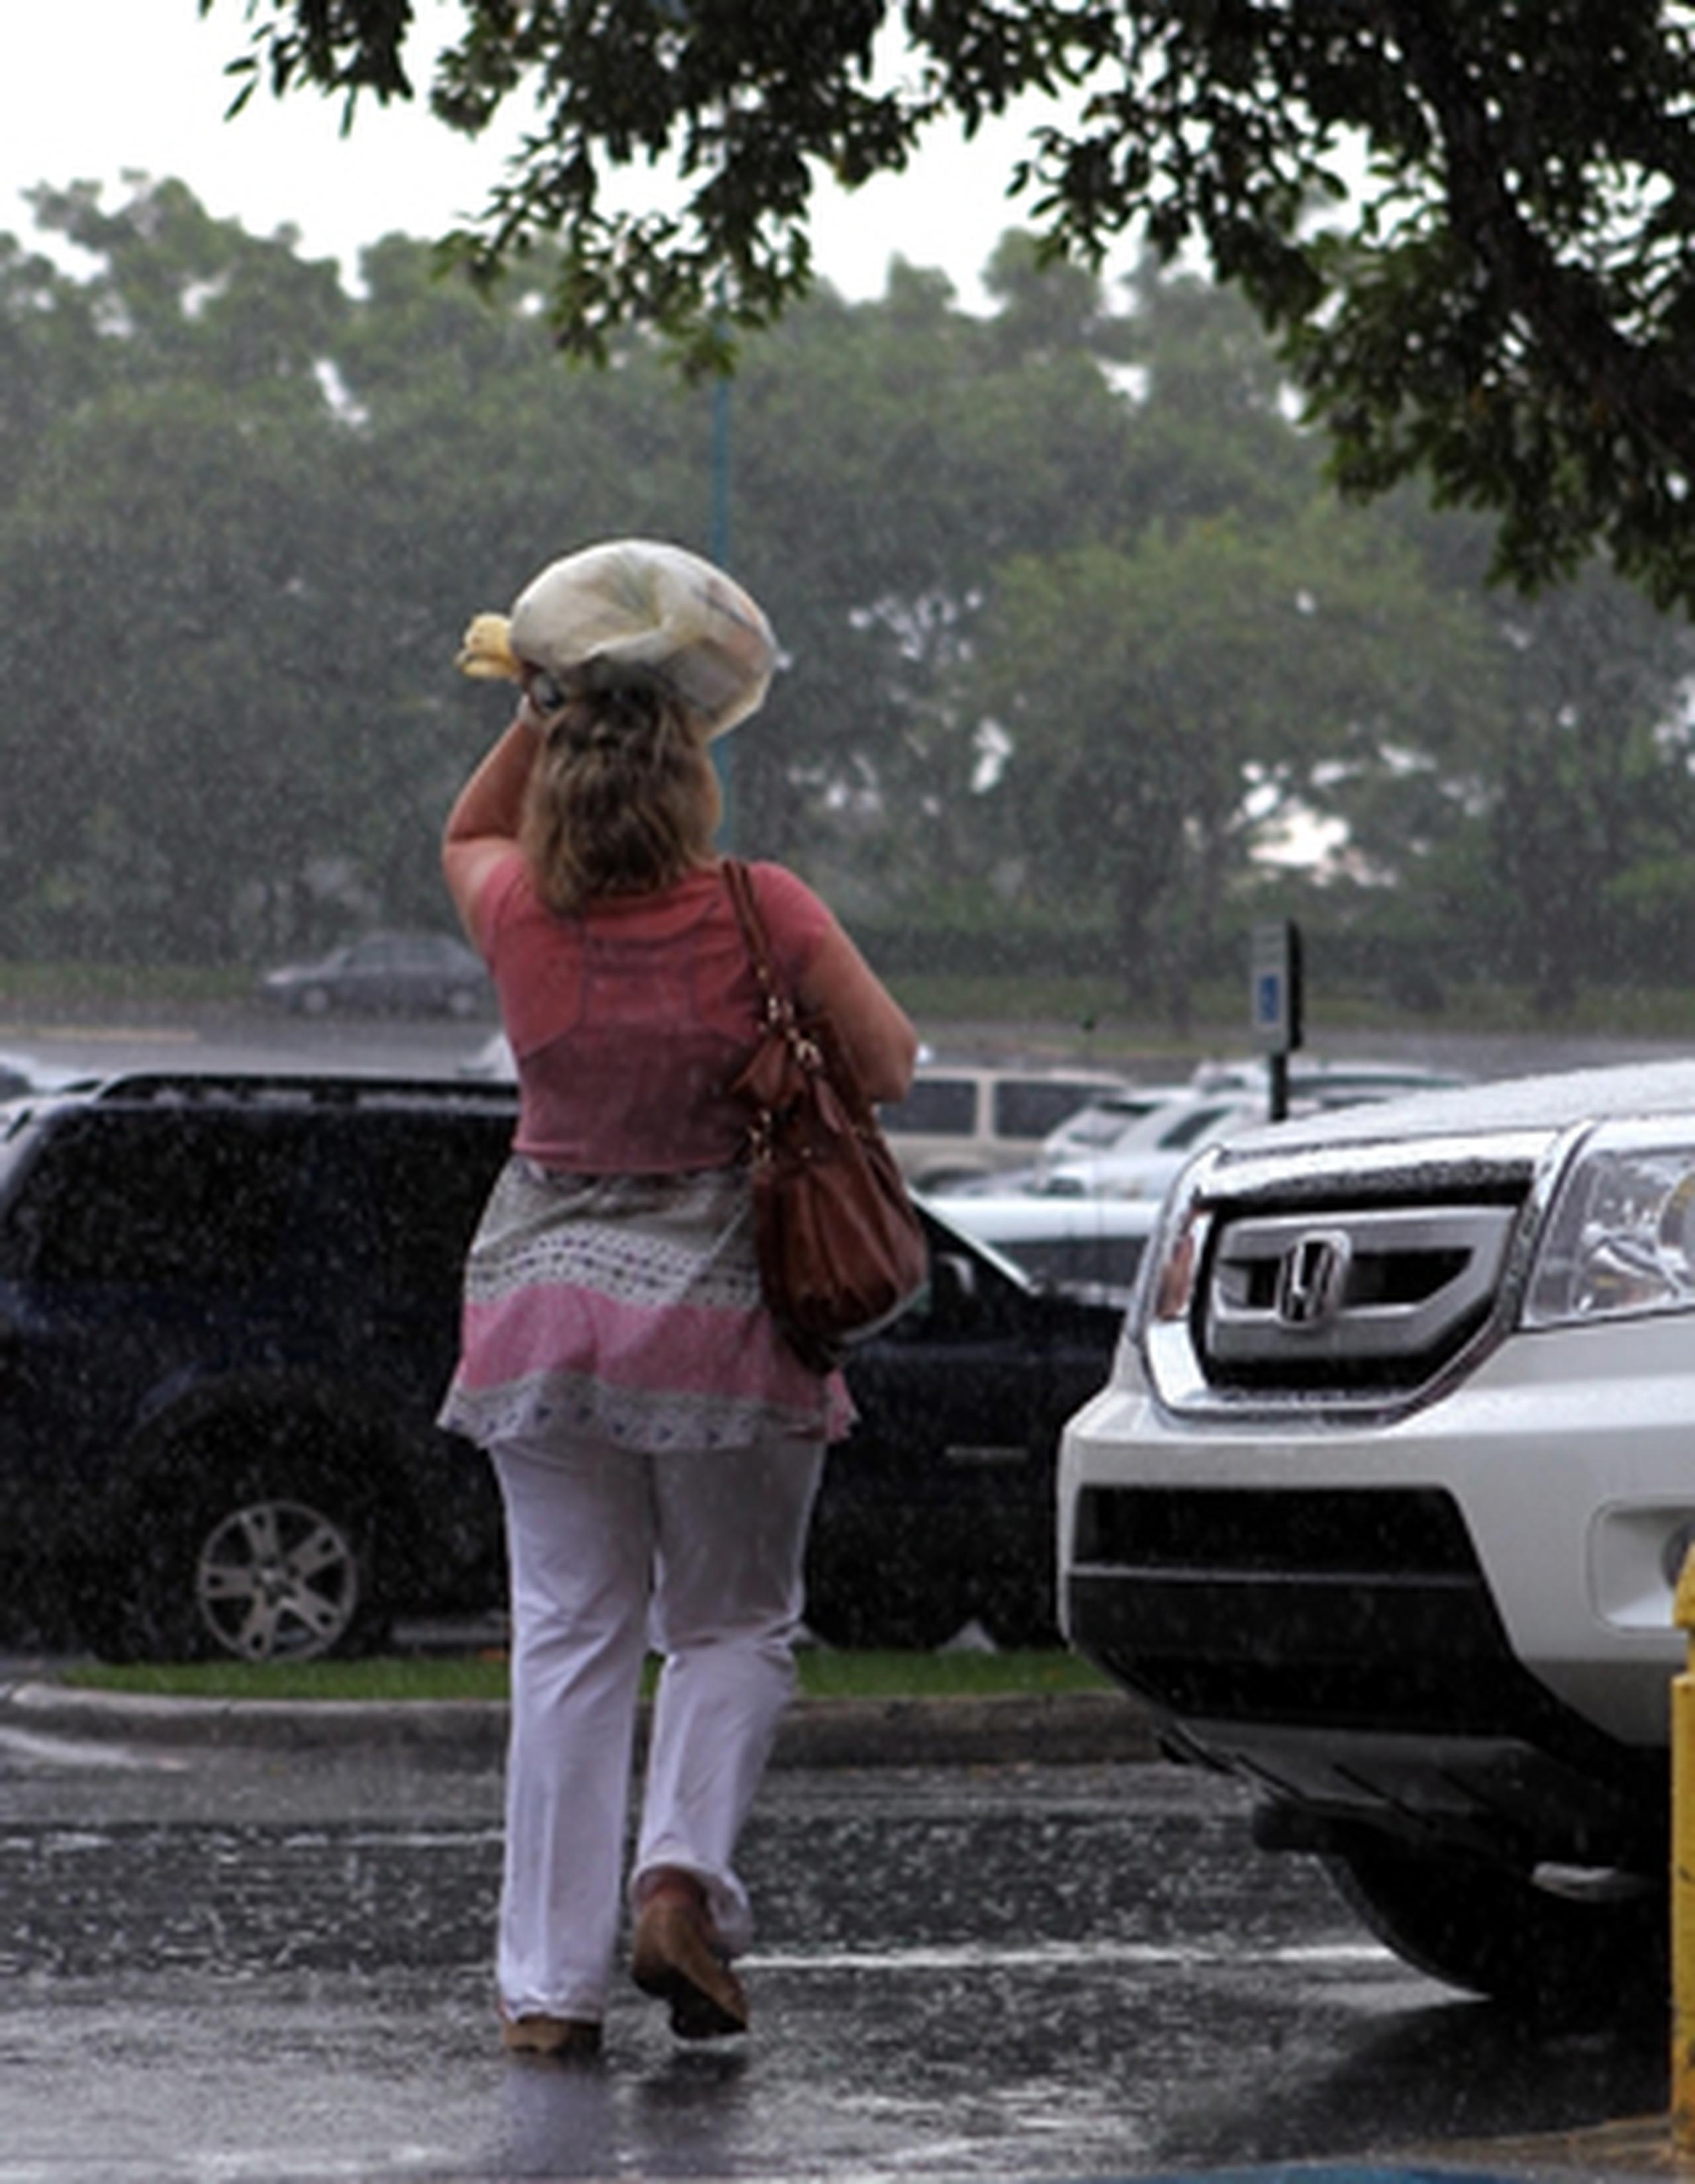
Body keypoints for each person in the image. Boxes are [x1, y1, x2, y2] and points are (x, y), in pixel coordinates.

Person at [436, 538, 918, 2062]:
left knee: (568, 1634)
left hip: (537, 1310)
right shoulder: (759, 908)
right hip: (720, 1314)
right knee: (729, 1620)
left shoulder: (515, 910)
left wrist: (548, 687)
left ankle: (546, 1990)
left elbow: (469, 822)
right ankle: (678, 1880)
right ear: (692, 776)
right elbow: (891, 1063)